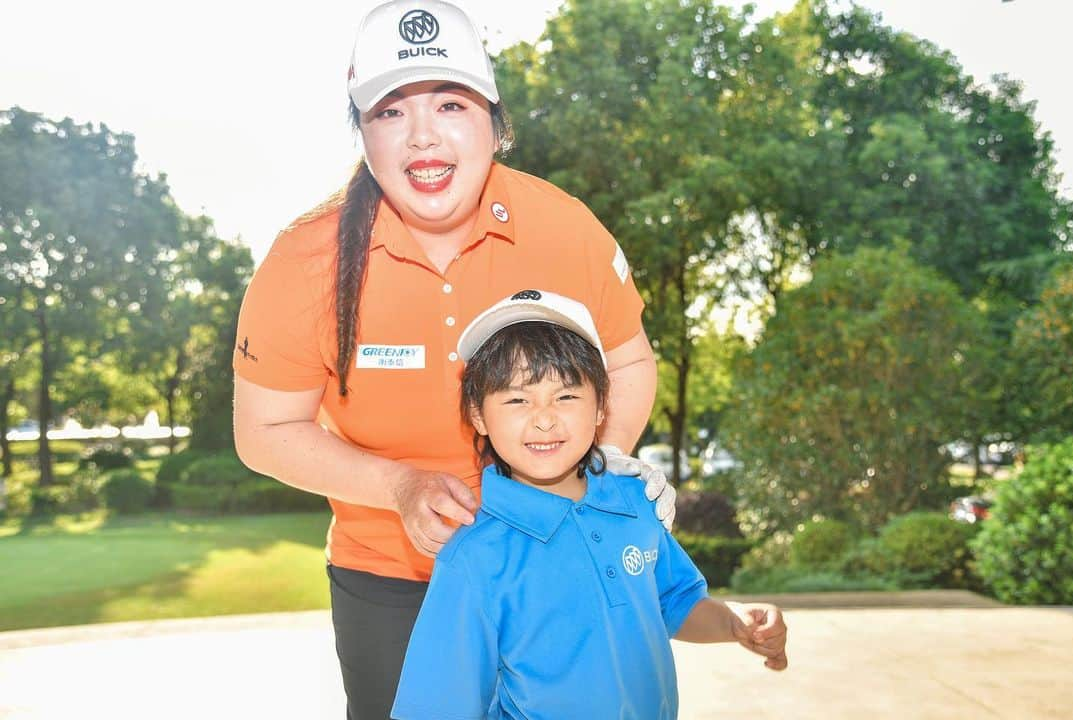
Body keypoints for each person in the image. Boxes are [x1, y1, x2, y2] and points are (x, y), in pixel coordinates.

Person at [231, 1, 675, 717]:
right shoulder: (302, 259)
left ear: (496, 122)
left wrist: (604, 461)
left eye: (450, 102)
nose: (424, 137)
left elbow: (627, 364)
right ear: (363, 135)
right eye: (391, 112)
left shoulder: (565, 227)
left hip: (553, 563)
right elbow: (263, 431)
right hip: (389, 579)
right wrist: (400, 487)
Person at [390, 290, 789, 720]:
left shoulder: (636, 503)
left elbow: (674, 601)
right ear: (479, 414)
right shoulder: (473, 558)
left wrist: (733, 622)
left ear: (601, 405)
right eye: (517, 399)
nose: (544, 418)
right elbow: (435, 705)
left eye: (566, 396)